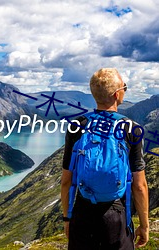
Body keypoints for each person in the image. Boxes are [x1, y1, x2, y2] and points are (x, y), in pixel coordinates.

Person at [61, 68, 149, 250]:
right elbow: (139, 185)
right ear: (117, 94)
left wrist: (67, 218)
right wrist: (144, 225)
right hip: (116, 215)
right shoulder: (132, 129)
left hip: (83, 212)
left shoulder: (77, 126)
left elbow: (66, 181)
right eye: (125, 87)